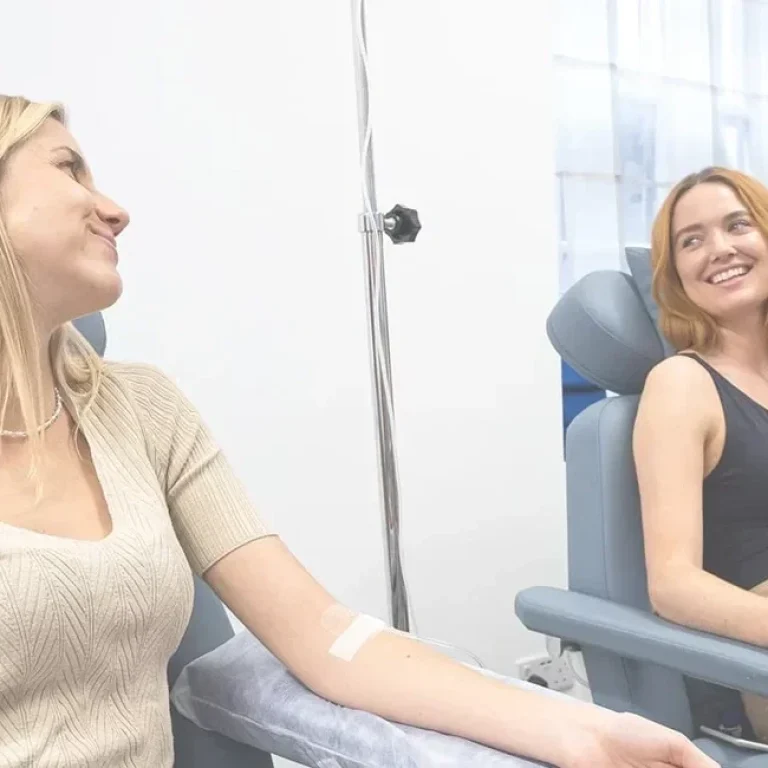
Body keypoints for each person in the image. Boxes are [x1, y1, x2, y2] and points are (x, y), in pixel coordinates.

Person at [0, 94, 718, 768]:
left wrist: (584, 730)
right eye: (68, 168)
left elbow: (324, 636)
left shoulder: (143, 409)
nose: (115, 210)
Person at [634, 166, 768, 743]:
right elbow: (672, 584)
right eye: (692, 240)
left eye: (738, 225)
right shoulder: (681, 385)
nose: (719, 249)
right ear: (676, 278)